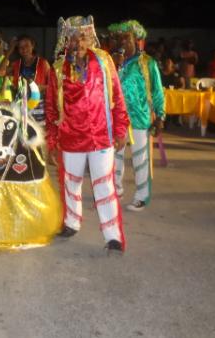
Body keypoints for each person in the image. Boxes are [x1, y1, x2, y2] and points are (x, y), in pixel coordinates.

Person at [45, 15, 129, 254]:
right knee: (71, 183)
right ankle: (71, 223)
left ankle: (113, 236)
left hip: (100, 136)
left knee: (104, 186)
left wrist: (121, 128)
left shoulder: (104, 61)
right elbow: (51, 107)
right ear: (66, 41)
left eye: (82, 37)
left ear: (90, 38)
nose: (77, 43)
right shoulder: (58, 68)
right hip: (70, 138)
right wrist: (52, 141)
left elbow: (118, 97)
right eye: (72, 38)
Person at [111, 20, 166, 212]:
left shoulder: (147, 63)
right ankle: (115, 190)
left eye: (126, 39)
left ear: (136, 39)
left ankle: (142, 196)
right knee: (114, 157)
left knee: (139, 159)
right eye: (119, 39)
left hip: (139, 119)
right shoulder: (112, 62)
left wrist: (160, 116)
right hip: (116, 119)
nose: (122, 43)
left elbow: (158, 91)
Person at [0, 35, 50, 122]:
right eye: (20, 47)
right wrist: (9, 51)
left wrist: (41, 87)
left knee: (38, 133)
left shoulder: (43, 63)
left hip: (38, 106)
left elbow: (53, 86)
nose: (24, 49)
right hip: (21, 105)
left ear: (32, 46)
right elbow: (0, 73)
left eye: (26, 45)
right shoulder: (16, 64)